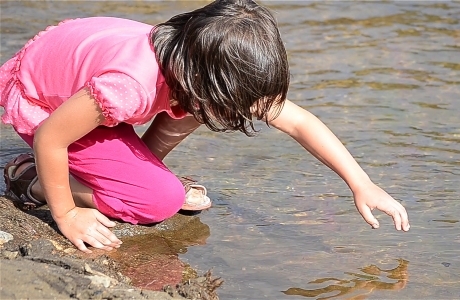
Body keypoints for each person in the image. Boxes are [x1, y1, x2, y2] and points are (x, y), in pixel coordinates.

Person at [0, 0, 409, 254]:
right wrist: (67, 213)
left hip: (75, 89)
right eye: (241, 100)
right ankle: (29, 178)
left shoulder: (192, 59)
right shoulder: (130, 86)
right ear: (202, 75)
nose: (254, 110)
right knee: (157, 201)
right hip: (44, 104)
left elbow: (299, 121)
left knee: (198, 112)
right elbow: (53, 134)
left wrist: (361, 183)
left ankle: (137, 170)